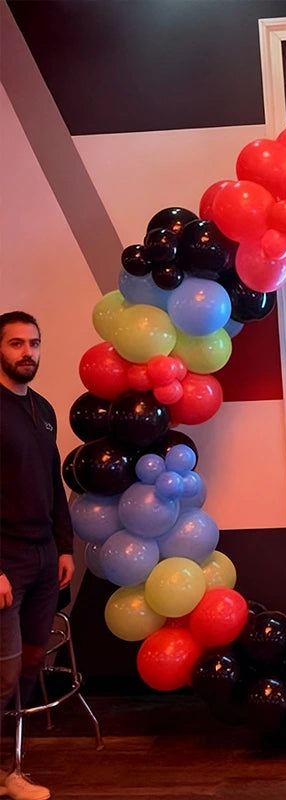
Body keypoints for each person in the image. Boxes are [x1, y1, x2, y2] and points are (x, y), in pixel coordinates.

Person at [0, 311, 74, 800]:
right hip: (5, 562)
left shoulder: (42, 408)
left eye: (34, 343)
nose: (28, 353)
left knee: (31, 664)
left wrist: (64, 547)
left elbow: (53, 480)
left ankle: (11, 770)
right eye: (15, 344)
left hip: (46, 556)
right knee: (2, 670)